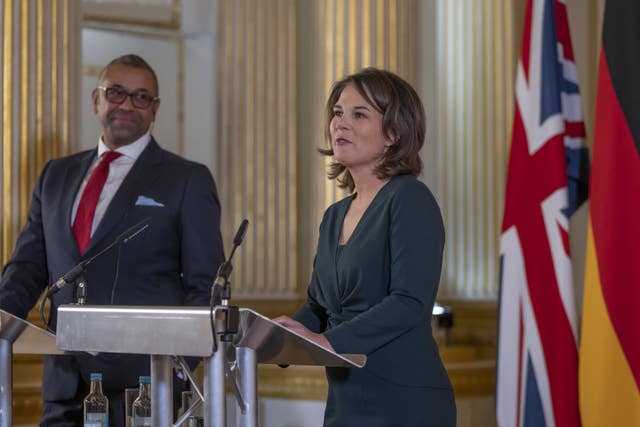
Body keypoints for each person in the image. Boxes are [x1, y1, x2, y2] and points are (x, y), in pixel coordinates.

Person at [0, 54, 225, 426]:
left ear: (155, 109)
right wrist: (3, 323)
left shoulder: (187, 180)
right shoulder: (55, 175)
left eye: (140, 97)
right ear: (96, 99)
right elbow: (26, 267)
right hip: (64, 385)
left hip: (145, 389)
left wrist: (178, 369)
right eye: (116, 92)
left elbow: (205, 288)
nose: (126, 105)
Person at [275, 68, 456, 426]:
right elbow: (318, 305)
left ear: (393, 133)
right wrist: (277, 340)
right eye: (338, 113)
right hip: (345, 400)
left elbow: (409, 303)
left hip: (405, 400)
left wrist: (326, 342)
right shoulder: (334, 216)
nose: (341, 124)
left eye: (359, 114)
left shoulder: (410, 199)